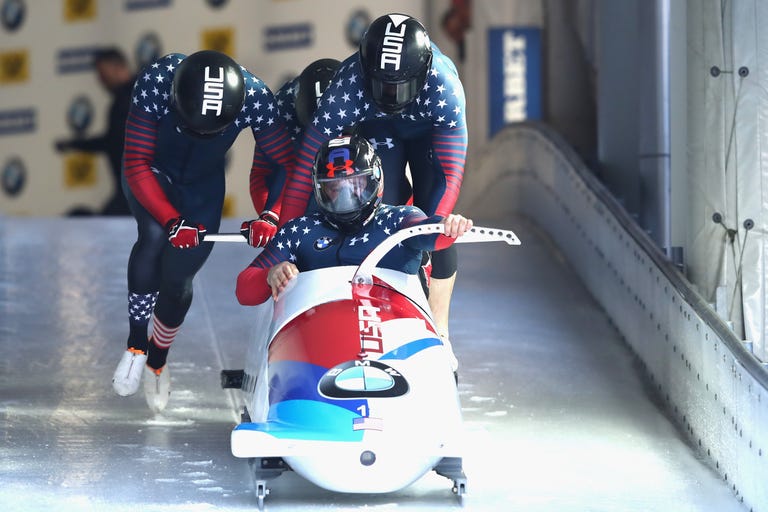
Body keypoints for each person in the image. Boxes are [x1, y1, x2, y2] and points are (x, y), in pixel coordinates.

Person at [111, 50, 294, 412]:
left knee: (180, 278)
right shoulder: (157, 81)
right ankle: (135, 344)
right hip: (153, 171)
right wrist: (170, 220)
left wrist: (272, 214)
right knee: (152, 237)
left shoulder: (255, 98)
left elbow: (288, 164)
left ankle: (157, 360)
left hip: (201, 187)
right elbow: (136, 162)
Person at [278, 13, 468, 348]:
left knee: (432, 222)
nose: (392, 97)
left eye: (401, 87)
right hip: (379, 133)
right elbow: (303, 172)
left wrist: (434, 228)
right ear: (366, 75)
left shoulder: (445, 88)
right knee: (378, 217)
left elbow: (450, 174)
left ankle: (440, 328)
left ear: (422, 76)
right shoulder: (346, 86)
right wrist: (286, 244)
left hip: (428, 134)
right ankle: (368, 311)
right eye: (382, 86)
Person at [236, 135, 472, 375]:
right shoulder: (299, 232)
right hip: (320, 336)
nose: (346, 198)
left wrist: (448, 226)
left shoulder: (398, 220)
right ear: (320, 190)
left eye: (356, 185)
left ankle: (441, 336)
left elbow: (431, 233)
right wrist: (270, 275)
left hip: (393, 330)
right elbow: (244, 290)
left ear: (375, 182)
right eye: (335, 188)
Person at [55, 47, 136, 215]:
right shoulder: (138, 95)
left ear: (117, 68)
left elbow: (113, 141)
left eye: (103, 74)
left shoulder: (128, 99)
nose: (100, 81)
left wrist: (75, 144)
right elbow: (113, 141)